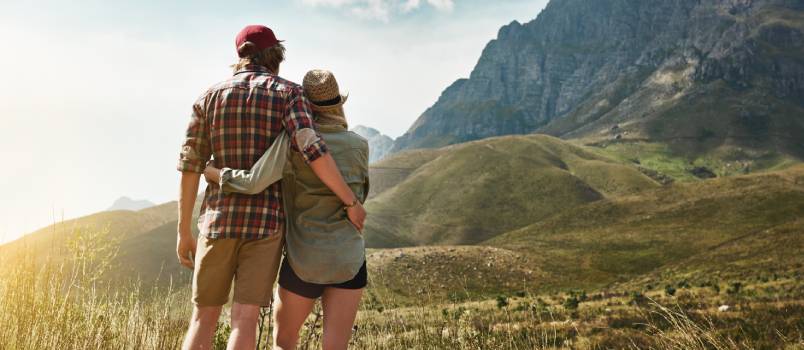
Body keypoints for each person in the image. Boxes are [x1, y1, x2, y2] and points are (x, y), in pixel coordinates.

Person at [176, 25, 366, 350]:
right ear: (276, 56)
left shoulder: (207, 97)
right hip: (264, 226)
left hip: (216, 222)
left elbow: (189, 165)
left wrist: (183, 232)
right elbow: (311, 147)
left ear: (240, 55)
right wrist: (350, 201)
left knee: (202, 319)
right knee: (244, 320)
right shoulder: (289, 95)